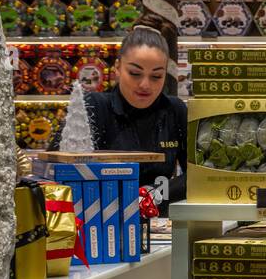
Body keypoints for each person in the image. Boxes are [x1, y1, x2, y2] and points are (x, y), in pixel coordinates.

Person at [56, 26, 186, 212]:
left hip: (159, 225)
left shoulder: (175, 110)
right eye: (135, 73)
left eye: (156, 76)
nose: (145, 85)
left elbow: (198, 175)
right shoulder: (92, 106)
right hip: (98, 223)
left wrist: (150, 198)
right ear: (117, 68)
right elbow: (56, 169)